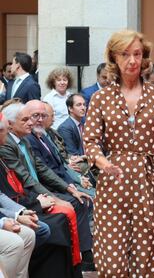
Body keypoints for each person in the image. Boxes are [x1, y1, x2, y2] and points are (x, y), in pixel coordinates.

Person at [83, 30, 154, 277]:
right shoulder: (100, 98)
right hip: (112, 182)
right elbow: (91, 141)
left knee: (145, 255)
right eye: (125, 54)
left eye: (137, 54)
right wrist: (102, 162)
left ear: (144, 57)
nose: (132, 60)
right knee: (112, 259)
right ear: (114, 58)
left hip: (149, 181)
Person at [0, 102, 94, 271]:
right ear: (11, 125)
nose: (32, 122)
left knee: (77, 202)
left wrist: (70, 188)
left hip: (33, 192)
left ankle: (79, 261)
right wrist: (53, 199)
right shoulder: (7, 145)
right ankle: (73, 263)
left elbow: (43, 170)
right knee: (63, 215)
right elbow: (26, 179)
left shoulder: (25, 140)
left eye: (37, 117)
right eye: (26, 119)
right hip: (26, 194)